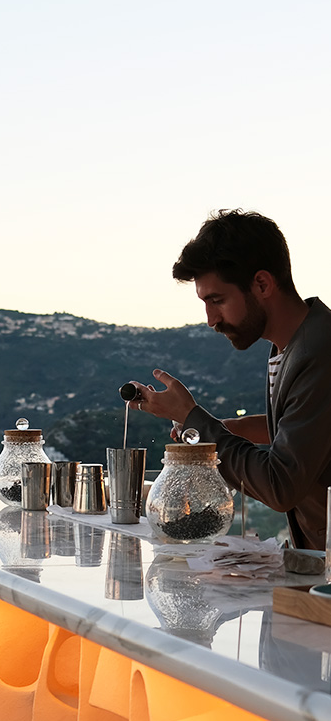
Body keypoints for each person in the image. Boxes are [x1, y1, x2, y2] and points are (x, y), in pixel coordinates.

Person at [130, 209, 331, 551]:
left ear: (263, 284)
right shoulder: (292, 345)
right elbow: (307, 430)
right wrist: (226, 429)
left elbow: (280, 485)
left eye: (217, 300)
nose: (210, 319)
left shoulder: (319, 351)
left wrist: (198, 423)